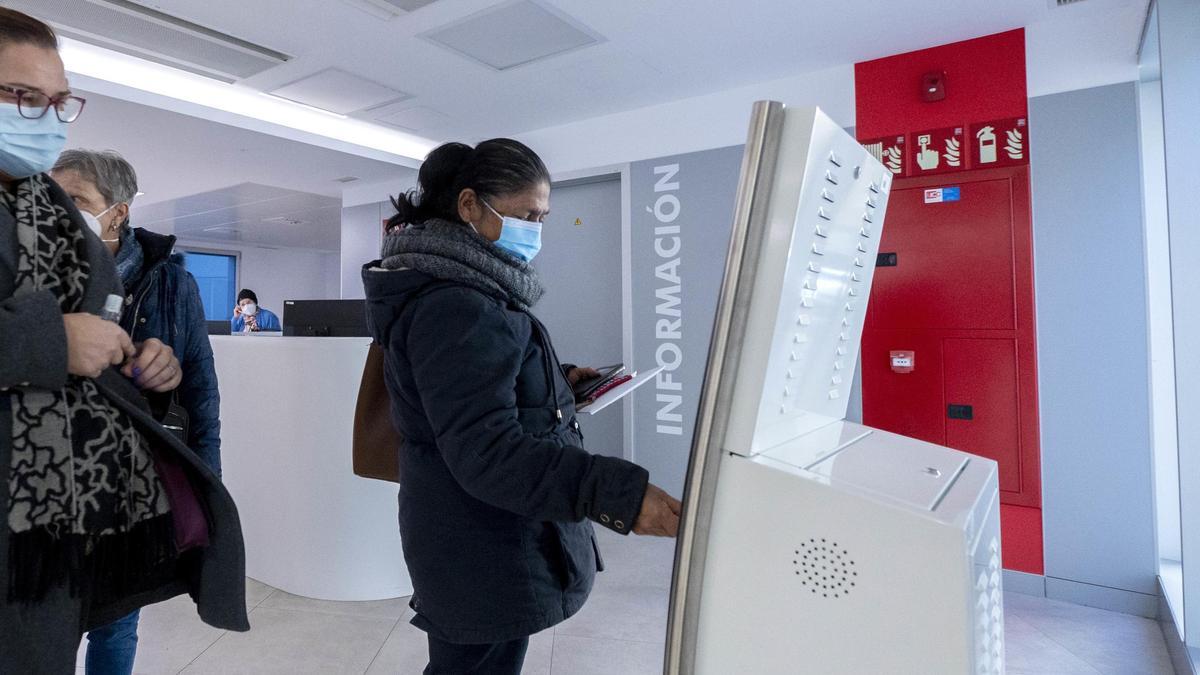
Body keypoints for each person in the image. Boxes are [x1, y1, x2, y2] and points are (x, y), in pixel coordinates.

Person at [364, 139, 682, 674]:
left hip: (470, 536)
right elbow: (486, 450)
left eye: (543, 217)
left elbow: (464, 394)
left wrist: (555, 384)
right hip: (480, 542)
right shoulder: (457, 304)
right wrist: (615, 493)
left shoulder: (458, 289)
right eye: (527, 215)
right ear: (469, 206)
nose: (536, 230)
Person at [0, 9, 248, 672]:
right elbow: (51, 343)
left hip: (74, 507)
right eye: (22, 96)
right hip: (26, 522)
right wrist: (52, 341)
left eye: (57, 101)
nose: (45, 116)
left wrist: (144, 372)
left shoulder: (58, 231)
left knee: (100, 628)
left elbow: (196, 386)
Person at [51, 149, 223, 675]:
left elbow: (200, 390)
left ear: (118, 211)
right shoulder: (35, 271)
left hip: (131, 479)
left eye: (76, 199)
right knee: (47, 618)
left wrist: (207, 487)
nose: (60, 211)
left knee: (117, 620)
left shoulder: (171, 283)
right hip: (50, 479)